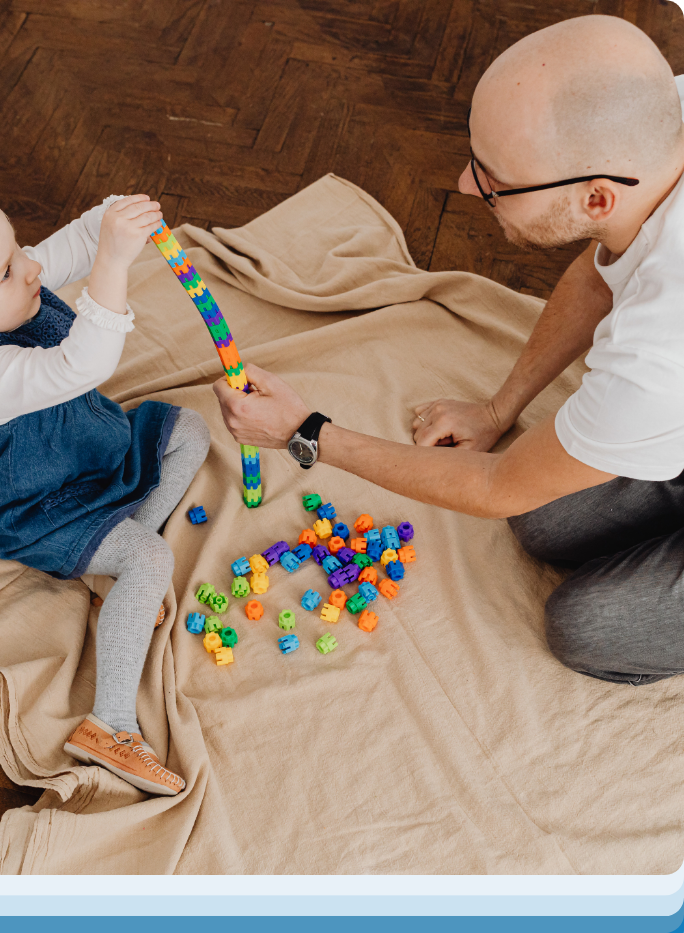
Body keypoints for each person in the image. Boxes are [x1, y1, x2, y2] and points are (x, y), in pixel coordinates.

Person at [213, 14, 684, 687]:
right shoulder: (662, 131)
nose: (465, 186)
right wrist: (499, 410)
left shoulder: (657, 360)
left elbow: (494, 487)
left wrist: (304, 431)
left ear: (597, 196)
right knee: (546, 520)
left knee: (590, 627)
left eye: (494, 180)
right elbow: (599, 272)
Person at [0, 186, 210, 794]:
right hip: (44, 508)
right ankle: (108, 724)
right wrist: (112, 266)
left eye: (15, 247)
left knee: (189, 431)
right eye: (9, 268)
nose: (31, 265)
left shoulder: (9, 286)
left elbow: (73, 245)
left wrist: (110, 217)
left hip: (97, 455)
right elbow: (84, 364)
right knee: (150, 557)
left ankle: (114, 562)